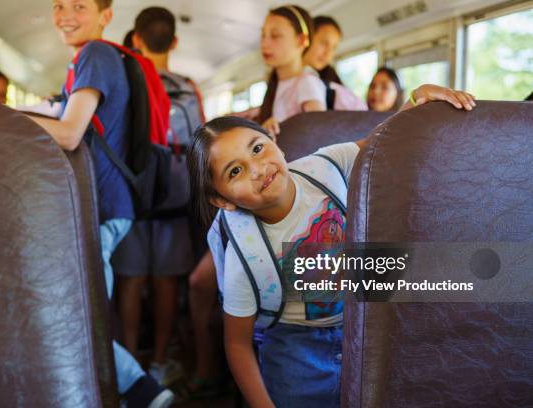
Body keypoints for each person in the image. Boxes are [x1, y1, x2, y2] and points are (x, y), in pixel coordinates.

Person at [187, 84, 476, 408]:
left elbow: (381, 145)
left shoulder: (325, 167)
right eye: (235, 171)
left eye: (257, 148)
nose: (257, 169)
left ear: (275, 143)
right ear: (221, 200)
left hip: (361, 320)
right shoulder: (245, 254)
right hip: (295, 348)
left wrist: (415, 99)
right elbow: (237, 344)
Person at [25, 0, 173, 406]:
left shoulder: (95, 54)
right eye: (58, 5)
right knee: (82, 314)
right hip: (109, 204)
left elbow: (70, 133)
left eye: (79, 5)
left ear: (105, 16)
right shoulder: (89, 60)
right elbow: (62, 111)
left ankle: (142, 390)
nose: (66, 14)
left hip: (103, 204)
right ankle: (135, 391)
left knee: (78, 319)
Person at [112, 6, 219, 394]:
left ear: (136, 40)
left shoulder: (123, 80)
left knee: (129, 281)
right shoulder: (189, 87)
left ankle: (125, 365)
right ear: (174, 42)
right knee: (166, 284)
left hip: (133, 198)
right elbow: (201, 144)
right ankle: (159, 362)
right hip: (175, 200)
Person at [257, 5, 326, 138]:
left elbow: (318, 137)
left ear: (301, 40)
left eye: (275, 36)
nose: (264, 43)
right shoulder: (276, 86)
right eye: (263, 35)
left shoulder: (307, 82)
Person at [303, 16, 366, 111]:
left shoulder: (332, 86)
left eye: (334, 48)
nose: (328, 53)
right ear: (307, 38)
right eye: (324, 43)